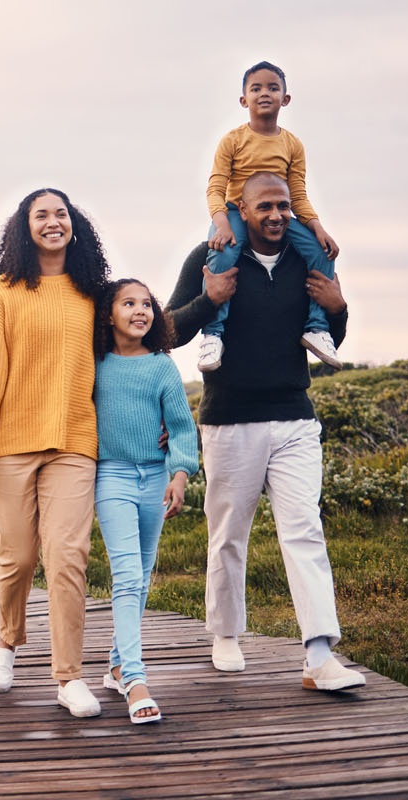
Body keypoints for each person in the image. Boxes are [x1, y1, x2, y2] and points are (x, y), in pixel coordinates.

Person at [167, 171, 368, 693]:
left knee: (304, 530)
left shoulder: (307, 256)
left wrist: (338, 307)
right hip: (230, 419)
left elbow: (327, 336)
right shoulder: (212, 255)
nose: (276, 215)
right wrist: (209, 300)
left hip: (295, 417)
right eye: (265, 207)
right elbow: (169, 330)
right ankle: (227, 634)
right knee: (228, 536)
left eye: (283, 206)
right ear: (243, 209)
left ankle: (320, 655)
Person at [0, 188, 112, 718]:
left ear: (74, 225)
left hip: (74, 441)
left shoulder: (94, 293)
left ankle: (69, 677)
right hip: (7, 446)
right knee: (17, 555)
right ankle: (6, 641)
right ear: (24, 228)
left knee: (67, 557)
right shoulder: (1, 293)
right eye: (40, 215)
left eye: (60, 214)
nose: (52, 222)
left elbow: (134, 351)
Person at [90, 278, 198, 725]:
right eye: (128, 303)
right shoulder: (93, 364)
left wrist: (180, 473)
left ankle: (116, 664)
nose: (140, 310)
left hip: (154, 477)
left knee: (143, 573)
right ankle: (135, 679)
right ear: (108, 314)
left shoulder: (162, 367)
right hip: (110, 474)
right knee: (128, 573)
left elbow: (182, 425)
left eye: (147, 304)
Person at [197, 61, 347, 372]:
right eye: (256, 88)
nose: (264, 93)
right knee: (223, 254)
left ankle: (316, 328)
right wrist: (222, 223)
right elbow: (215, 187)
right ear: (244, 100)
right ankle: (212, 335)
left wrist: (317, 227)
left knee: (323, 253)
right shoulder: (232, 140)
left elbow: (298, 194)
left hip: (279, 214)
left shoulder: (292, 144)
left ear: (285, 98)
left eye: (272, 87)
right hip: (236, 213)